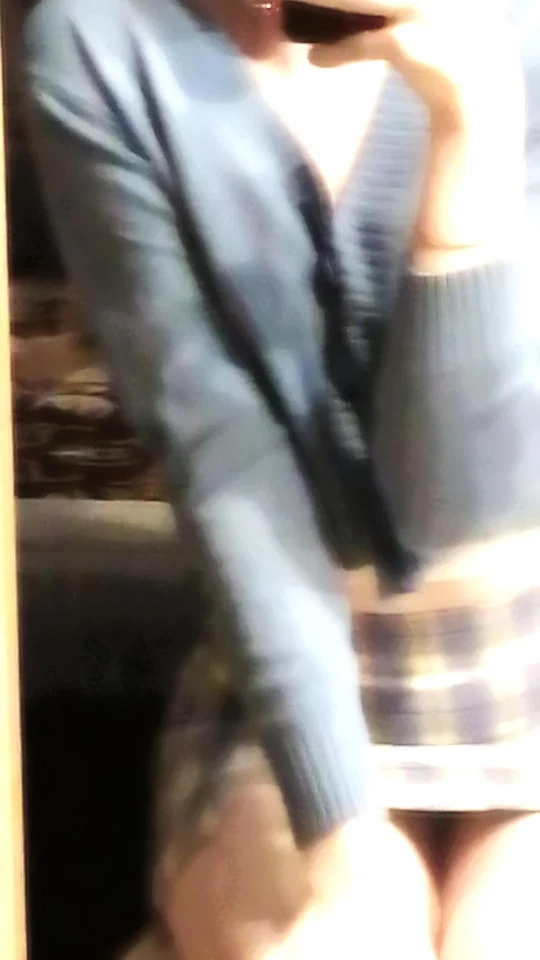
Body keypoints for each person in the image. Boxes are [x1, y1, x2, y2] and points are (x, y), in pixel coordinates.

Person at [20, 0, 540, 956]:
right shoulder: (97, 40)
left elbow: (456, 508)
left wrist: (469, 135)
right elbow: (223, 455)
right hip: (290, 680)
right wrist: (345, 849)